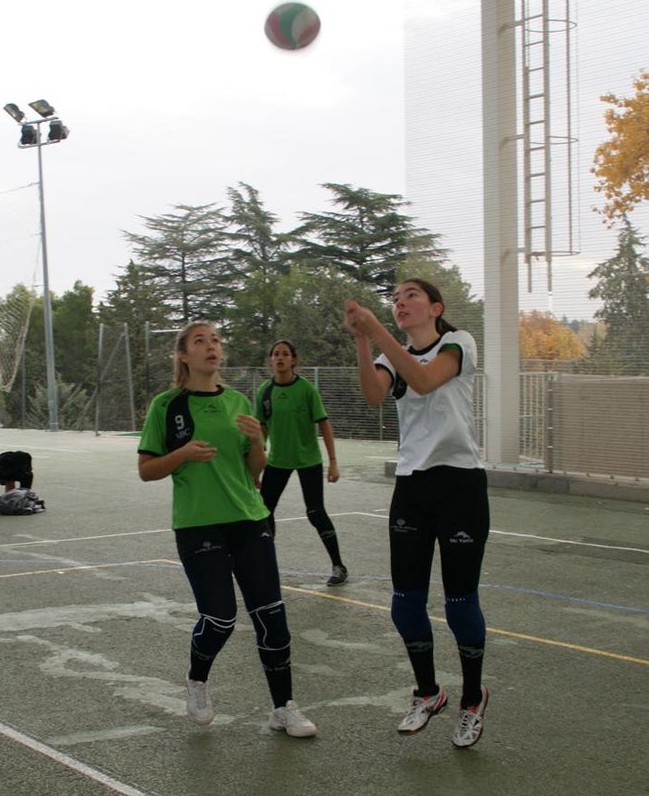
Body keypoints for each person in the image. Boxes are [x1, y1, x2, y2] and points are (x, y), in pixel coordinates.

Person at [137, 321, 317, 738]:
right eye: (200, 341)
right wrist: (181, 453)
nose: (211, 346)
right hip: (198, 524)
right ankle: (197, 680)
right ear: (183, 355)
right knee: (219, 617)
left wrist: (257, 443)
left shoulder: (239, 402)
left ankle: (283, 708)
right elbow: (146, 470)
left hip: (249, 519)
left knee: (272, 618)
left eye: (216, 340)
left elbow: (255, 471)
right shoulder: (167, 406)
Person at [344, 279, 490, 748]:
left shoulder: (458, 343)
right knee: (405, 602)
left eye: (410, 296)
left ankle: (472, 698)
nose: (400, 302)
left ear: (435, 307)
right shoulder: (391, 356)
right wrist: (364, 340)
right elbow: (372, 394)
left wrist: (377, 329)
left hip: (460, 485)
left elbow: (426, 380)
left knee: (459, 602)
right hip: (413, 488)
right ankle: (428, 692)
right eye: (395, 299)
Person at [254, 340, 349, 586]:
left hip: (308, 460)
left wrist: (333, 462)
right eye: (276, 354)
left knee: (315, 512)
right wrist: (255, 466)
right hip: (278, 461)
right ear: (270, 360)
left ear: (294, 360)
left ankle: (339, 566)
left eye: (285, 354)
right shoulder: (264, 391)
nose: (280, 358)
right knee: (264, 512)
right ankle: (266, 566)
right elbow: (261, 431)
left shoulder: (306, 390)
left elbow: (324, 424)